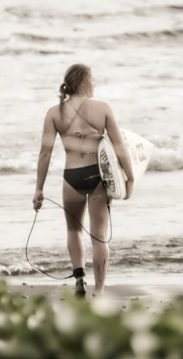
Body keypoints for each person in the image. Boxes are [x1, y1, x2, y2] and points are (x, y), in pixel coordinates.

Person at [33, 64, 133, 297]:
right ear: (85, 83)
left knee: (73, 230)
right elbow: (120, 147)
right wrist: (130, 177)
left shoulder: (53, 113)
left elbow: (44, 153)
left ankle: (80, 279)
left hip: (71, 178)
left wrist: (39, 189)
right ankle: (99, 291)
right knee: (99, 235)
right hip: (96, 176)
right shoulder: (103, 108)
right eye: (93, 80)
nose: (95, 84)